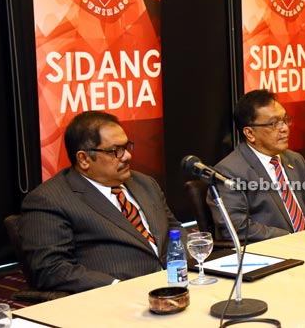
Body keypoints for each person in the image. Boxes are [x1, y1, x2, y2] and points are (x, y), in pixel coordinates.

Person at [20, 111, 183, 294]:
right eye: (116, 150)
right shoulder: (50, 199)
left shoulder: (144, 183)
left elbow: (174, 228)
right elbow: (50, 269)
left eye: (127, 146)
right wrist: (117, 286)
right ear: (84, 159)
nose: (127, 156)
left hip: (175, 285)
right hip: (116, 300)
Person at [208, 90, 305, 243]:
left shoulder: (294, 159)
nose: (284, 128)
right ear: (250, 133)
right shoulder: (229, 172)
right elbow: (236, 227)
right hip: (274, 251)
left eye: (285, 120)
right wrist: (293, 237)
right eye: (274, 124)